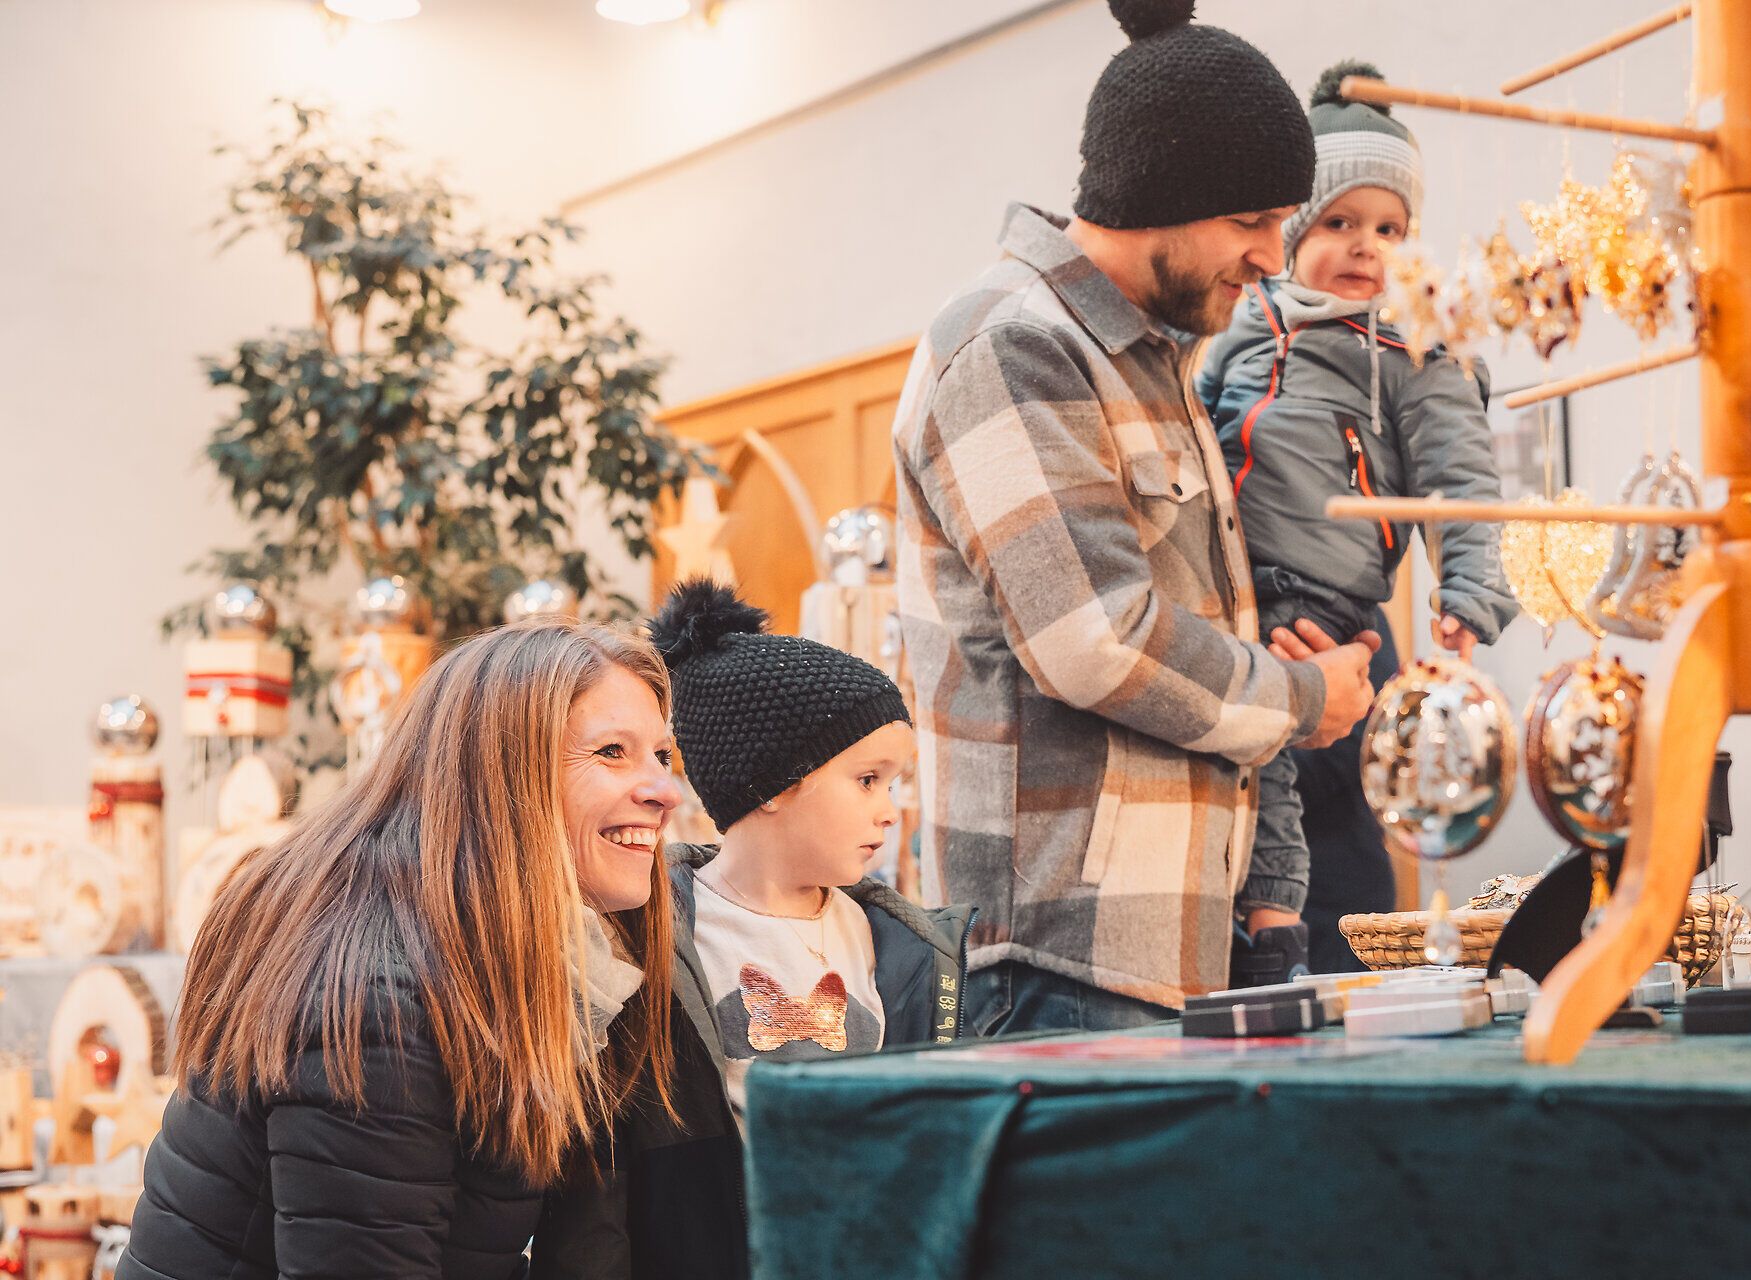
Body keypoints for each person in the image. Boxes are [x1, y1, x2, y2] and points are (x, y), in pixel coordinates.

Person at [892, 0, 1380, 1035]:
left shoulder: (1149, 361)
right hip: (1060, 956)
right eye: (1251, 223)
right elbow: (1096, 639)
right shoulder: (1013, 345)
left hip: (1168, 950)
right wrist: (1300, 696)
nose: (1270, 259)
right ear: (1163, 194)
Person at [122, 620, 682, 1280]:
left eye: (663, 756)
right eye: (612, 752)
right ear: (498, 775)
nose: (664, 791)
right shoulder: (375, 1000)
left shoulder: (543, 954)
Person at [531, 580, 972, 1280]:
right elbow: (595, 1180)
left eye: (894, 784)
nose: (890, 811)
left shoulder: (908, 948)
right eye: (867, 780)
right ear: (772, 785)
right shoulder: (638, 938)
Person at [1197, 61, 1519, 967]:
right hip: (1225, 585)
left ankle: (1296, 948)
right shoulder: (1245, 321)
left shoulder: (1413, 350)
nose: (1364, 247)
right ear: (1294, 230)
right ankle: (1257, 939)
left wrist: (1468, 594)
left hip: (1325, 593)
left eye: (1388, 228)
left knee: (1295, 774)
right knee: (1240, 767)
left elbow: (1462, 478)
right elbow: (1195, 429)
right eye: (1338, 223)